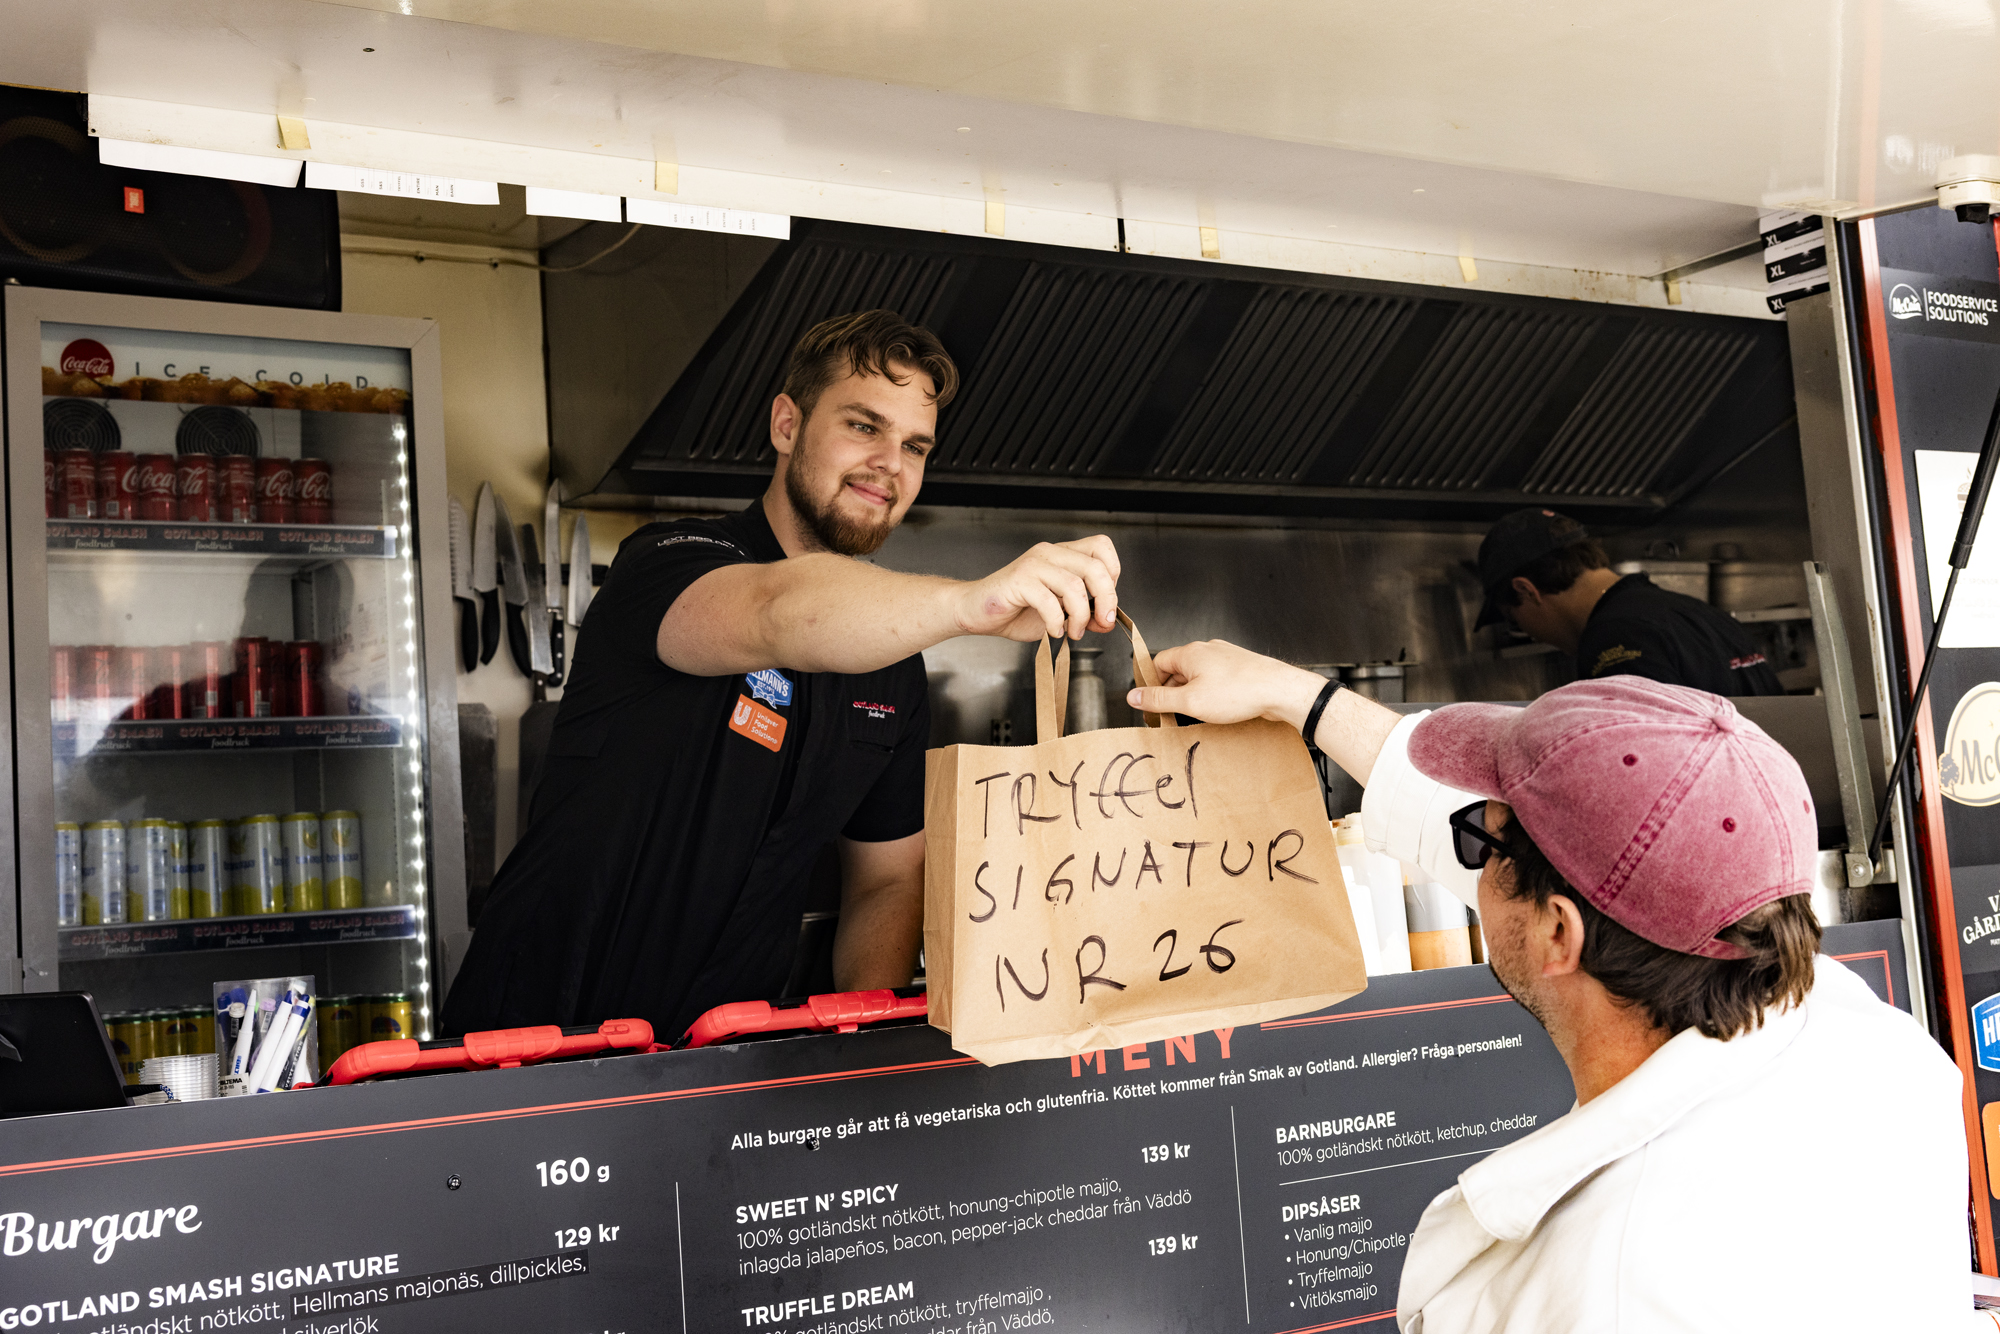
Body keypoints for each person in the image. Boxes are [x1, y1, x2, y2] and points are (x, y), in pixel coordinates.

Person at [1127, 640, 1970, 1332]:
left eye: (1481, 842)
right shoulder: (1878, 1047)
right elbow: (1565, 867)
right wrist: (1297, 698)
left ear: (1561, 934)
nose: (1466, 859)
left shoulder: (1603, 1295)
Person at [442, 310, 1123, 1041]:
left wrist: (861, 1054)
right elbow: (777, 611)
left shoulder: (893, 667)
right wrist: (971, 604)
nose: (890, 463)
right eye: (863, 426)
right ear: (787, 425)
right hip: (537, 1047)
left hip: (729, 1059)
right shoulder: (670, 560)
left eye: (915, 445)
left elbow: (888, 880)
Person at [1475, 507, 1785, 695]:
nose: (1530, 634)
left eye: (1514, 619)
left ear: (1527, 590)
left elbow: (1643, 765)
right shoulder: (1697, 611)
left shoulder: (1613, 639)